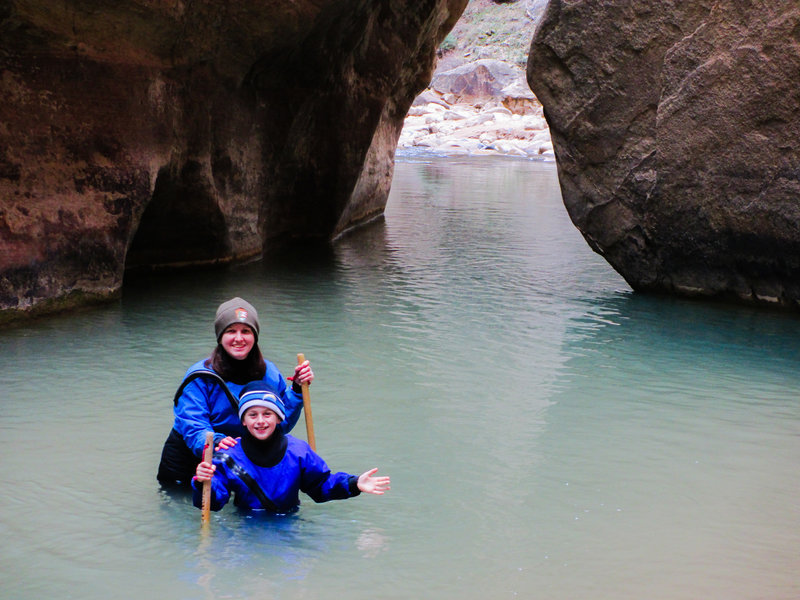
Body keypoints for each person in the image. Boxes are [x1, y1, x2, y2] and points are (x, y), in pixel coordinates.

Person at [157, 297, 314, 487]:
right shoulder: (200, 376)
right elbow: (193, 424)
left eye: (246, 331)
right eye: (231, 331)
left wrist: (297, 389)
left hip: (241, 455)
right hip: (193, 457)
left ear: (254, 336)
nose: (239, 338)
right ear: (220, 336)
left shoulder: (269, 374)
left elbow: (279, 424)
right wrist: (216, 443)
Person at [192, 382, 390, 513]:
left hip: (288, 522)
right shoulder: (227, 455)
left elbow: (321, 487)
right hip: (247, 526)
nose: (260, 421)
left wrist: (354, 484)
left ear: (279, 417)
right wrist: (202, 482)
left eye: (267, 414)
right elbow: (214, 503)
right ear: (243, 421)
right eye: (252, 415)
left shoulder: (298, 451)